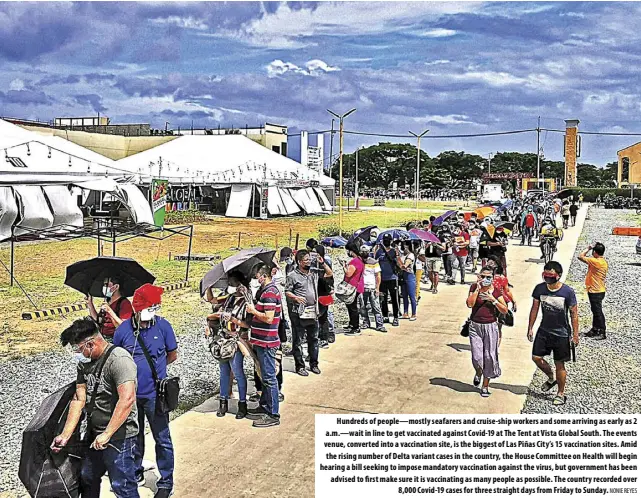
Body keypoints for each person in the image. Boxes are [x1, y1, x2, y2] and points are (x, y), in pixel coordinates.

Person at [53, 317, 139, 498]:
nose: (78, 354)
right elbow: (79, 398)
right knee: (87, 476)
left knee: (122, 486)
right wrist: (65, 435)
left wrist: (107, 434)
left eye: (78, 349)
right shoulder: (84, 365)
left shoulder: (119, 360)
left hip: (119, 437)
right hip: (95, 434)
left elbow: (127, 399)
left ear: (90, 344)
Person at [113, 284, 177, 497]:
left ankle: (166, 481)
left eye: (156, 307)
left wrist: (156, 372)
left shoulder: (163, 326)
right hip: (131, 397)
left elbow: (172, 354)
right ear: (138, 309)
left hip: (154, 396)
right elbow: (117, 358)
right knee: (133, 436)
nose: (154, 311)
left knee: (162, 438)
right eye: (151, 307)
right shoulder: (123, 330)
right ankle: (136, 470)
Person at [527, 261, 579, 406]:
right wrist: (530, 327)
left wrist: (575, 335)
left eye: (551, 276)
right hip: (544, 330)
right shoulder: (539, 289)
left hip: (561, 334)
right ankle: (551, 377)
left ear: (558, 275)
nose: (548, 278)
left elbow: (574, 314)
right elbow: (534, 308)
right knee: (536, 358)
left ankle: (561, 393)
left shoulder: (567, 292)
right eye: (545, 275)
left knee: (559, 364)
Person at [206, 271, 250, 418]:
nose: (230, 286)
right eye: (229, 284)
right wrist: (209, 286)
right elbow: (212, 300)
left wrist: (234, 320)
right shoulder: (228, 298)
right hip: (223, 339)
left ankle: (242, 404)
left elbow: (248, 324)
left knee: (238, 372)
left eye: (232, 284)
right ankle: (223, 402)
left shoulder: (247, 302)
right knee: (224, 372)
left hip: (236, 341)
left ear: (240, 285)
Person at [246, 264, 283, 428]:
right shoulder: (267, 291)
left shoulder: (269, 293)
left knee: (269, 378)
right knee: (265, 376)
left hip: (267, 342)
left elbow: (268, 318)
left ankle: (273, 413)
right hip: (262, 340)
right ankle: (265, 405)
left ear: (263, 276)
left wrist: (253, 311)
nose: (256, 279)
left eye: (257, 276)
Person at [465, 267, 509, 397]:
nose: (485, 279)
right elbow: (469, 304)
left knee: (489, 356)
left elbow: (505, 310)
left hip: (490, 326)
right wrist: (478, 289)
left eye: (488, 277)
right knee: (477, 357)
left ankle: (485, 385)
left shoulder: (495, 291)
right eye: (482, 276)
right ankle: (478, 372)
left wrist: (493, 300)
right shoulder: (474, 287)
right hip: (475, 326)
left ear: (493, 278)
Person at [285, 250, 324, 376]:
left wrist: (322, 264)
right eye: (306, 260)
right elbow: (287, 291)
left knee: (314, 338)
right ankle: (300, 366)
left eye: (309, 259)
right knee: (298, 340)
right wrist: (296, 298)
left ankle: (314, 364)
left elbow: (329, 274)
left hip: (312, 311)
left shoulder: (313, 273)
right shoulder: (292, 275)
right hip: (298, 312)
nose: (309, 261)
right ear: (299, 262)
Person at [87, 276, 134, 341]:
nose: (104, 287)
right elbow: (99, 320)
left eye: (106, 285)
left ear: (116, 287)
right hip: (102, 336)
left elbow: (125, 326)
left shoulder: (125, 303)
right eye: (104, 285)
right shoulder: (107, 302)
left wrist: (110, 311)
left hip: (115, 339)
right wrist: (90, 303)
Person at [578, 243, 608, 340]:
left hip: (596, 291)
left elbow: (580, 256)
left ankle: (602, 331)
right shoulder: (602, 261)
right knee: (595, 311)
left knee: (598, 312)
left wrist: (588, 248)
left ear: (595, 252)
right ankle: (595, 329)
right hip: (598, 289)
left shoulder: (596, 261)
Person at [375, 233, 402, 326]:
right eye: (385, 240)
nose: (386, 242)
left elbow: (399, 263)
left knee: (394, 298)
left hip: (393, 278)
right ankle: (385, 315)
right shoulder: (379, 251)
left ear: (391, 241)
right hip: (382, 278)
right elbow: (375, 262)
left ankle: (395, 317)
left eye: (388, 240)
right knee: (383, 298)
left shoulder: (394, 251)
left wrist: (398, 255)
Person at [359, 245, 386, 332]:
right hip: (362, 288)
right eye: (362, 252)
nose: (364, 253)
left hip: (372, 288)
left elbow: (378, 275)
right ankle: (366, 322)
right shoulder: (359, 262)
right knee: (363, 307)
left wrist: (377, 288)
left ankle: (379, 324)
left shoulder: (374, 262)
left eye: (365, 251)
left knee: (376, 307)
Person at [342, 242, 366, 335]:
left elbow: (348, 274)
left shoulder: (354, 261)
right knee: (351, 305)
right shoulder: (360, 260)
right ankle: (352, 324)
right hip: (358, 286)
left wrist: (344, 266)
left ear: (351, 251)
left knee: (352, 307)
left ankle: (355, 327)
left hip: (352, 287)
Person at [313, 244, 335, 348]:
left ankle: (324, 337)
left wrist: (322, 263)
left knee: (324, 317)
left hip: (323, 294)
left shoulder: (325, 264)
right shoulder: (311, 265)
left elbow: (330, 274)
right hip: (313, 295)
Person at [400, 241, 417, 320]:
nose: (404, 247)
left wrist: (400, 264)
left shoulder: (411, 255)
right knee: (404, 295)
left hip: (410, 276)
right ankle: (405, 312)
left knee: (411, 296)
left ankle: (414, 314)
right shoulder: (402, 255)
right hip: (403, 276)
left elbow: (405, 265)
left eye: (406, 246)